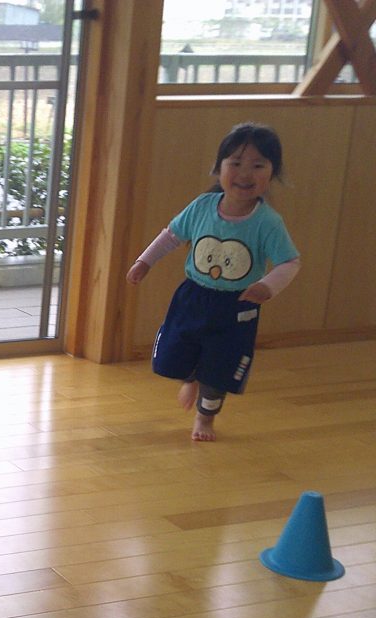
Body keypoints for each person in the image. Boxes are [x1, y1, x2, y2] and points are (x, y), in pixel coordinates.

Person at [127, 122, 300, 442]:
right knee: (175, 353)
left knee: (221, 366)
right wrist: (144, 261)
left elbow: (290, 262)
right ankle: (191, 376)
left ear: (272, 173)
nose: (245, 173)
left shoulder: (267, 222)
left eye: (258, 165)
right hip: (193, 297)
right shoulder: (202, 207)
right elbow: (172, 235)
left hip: (237, 305)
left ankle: (205, 417)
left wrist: (268, 286)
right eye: (235, 163)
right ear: (219, 168)